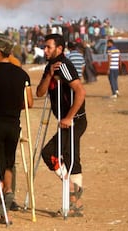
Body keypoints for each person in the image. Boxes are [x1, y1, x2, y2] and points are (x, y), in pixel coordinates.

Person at [0, 34, 33, 224]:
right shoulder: (22, 74)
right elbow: (29, 102)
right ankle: (8, 190)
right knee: (9, 163)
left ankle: (4, 213)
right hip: (14, 125)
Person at [36, 33, 87, 217]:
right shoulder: (51, 67)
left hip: (75, 120)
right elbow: (40, 92)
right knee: (70, 155)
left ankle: (72, 191)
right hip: (67, 121)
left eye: (49, 47)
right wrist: (49, 75)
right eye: (45, 47)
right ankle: (75, 202)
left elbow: (81, 92)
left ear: (59, 49)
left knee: (50, 153)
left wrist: (69, 117)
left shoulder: (64, 66)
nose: (45, 50)